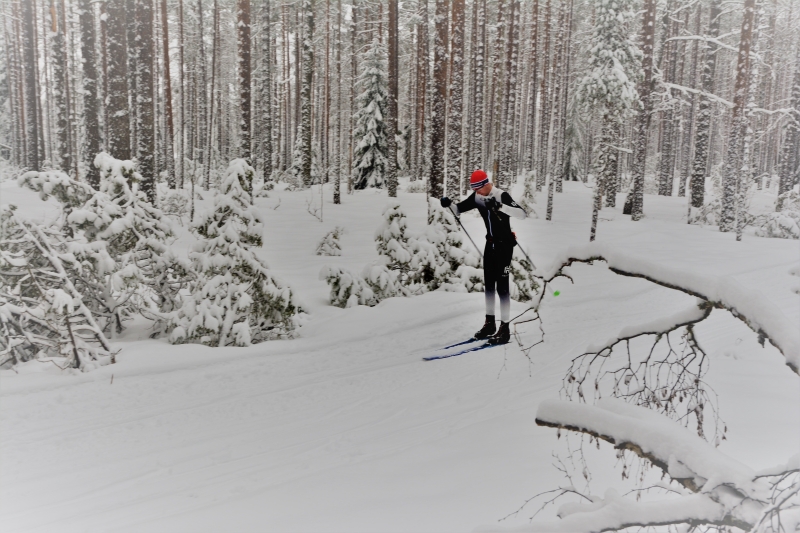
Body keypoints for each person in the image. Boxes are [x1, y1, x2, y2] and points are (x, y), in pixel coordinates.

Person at [440, 170, 527, 344]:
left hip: (505, 246)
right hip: (490, 244)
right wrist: (448, 204)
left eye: (478, 189)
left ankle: (505, 328)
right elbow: (457, 210)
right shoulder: (478, 197)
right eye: (474, 190)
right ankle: (490, 324)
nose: (477, 193)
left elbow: (522, 214)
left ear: (487, 184)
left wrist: (500, 206)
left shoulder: (501, 195)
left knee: (502, 287)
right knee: (489, 286)